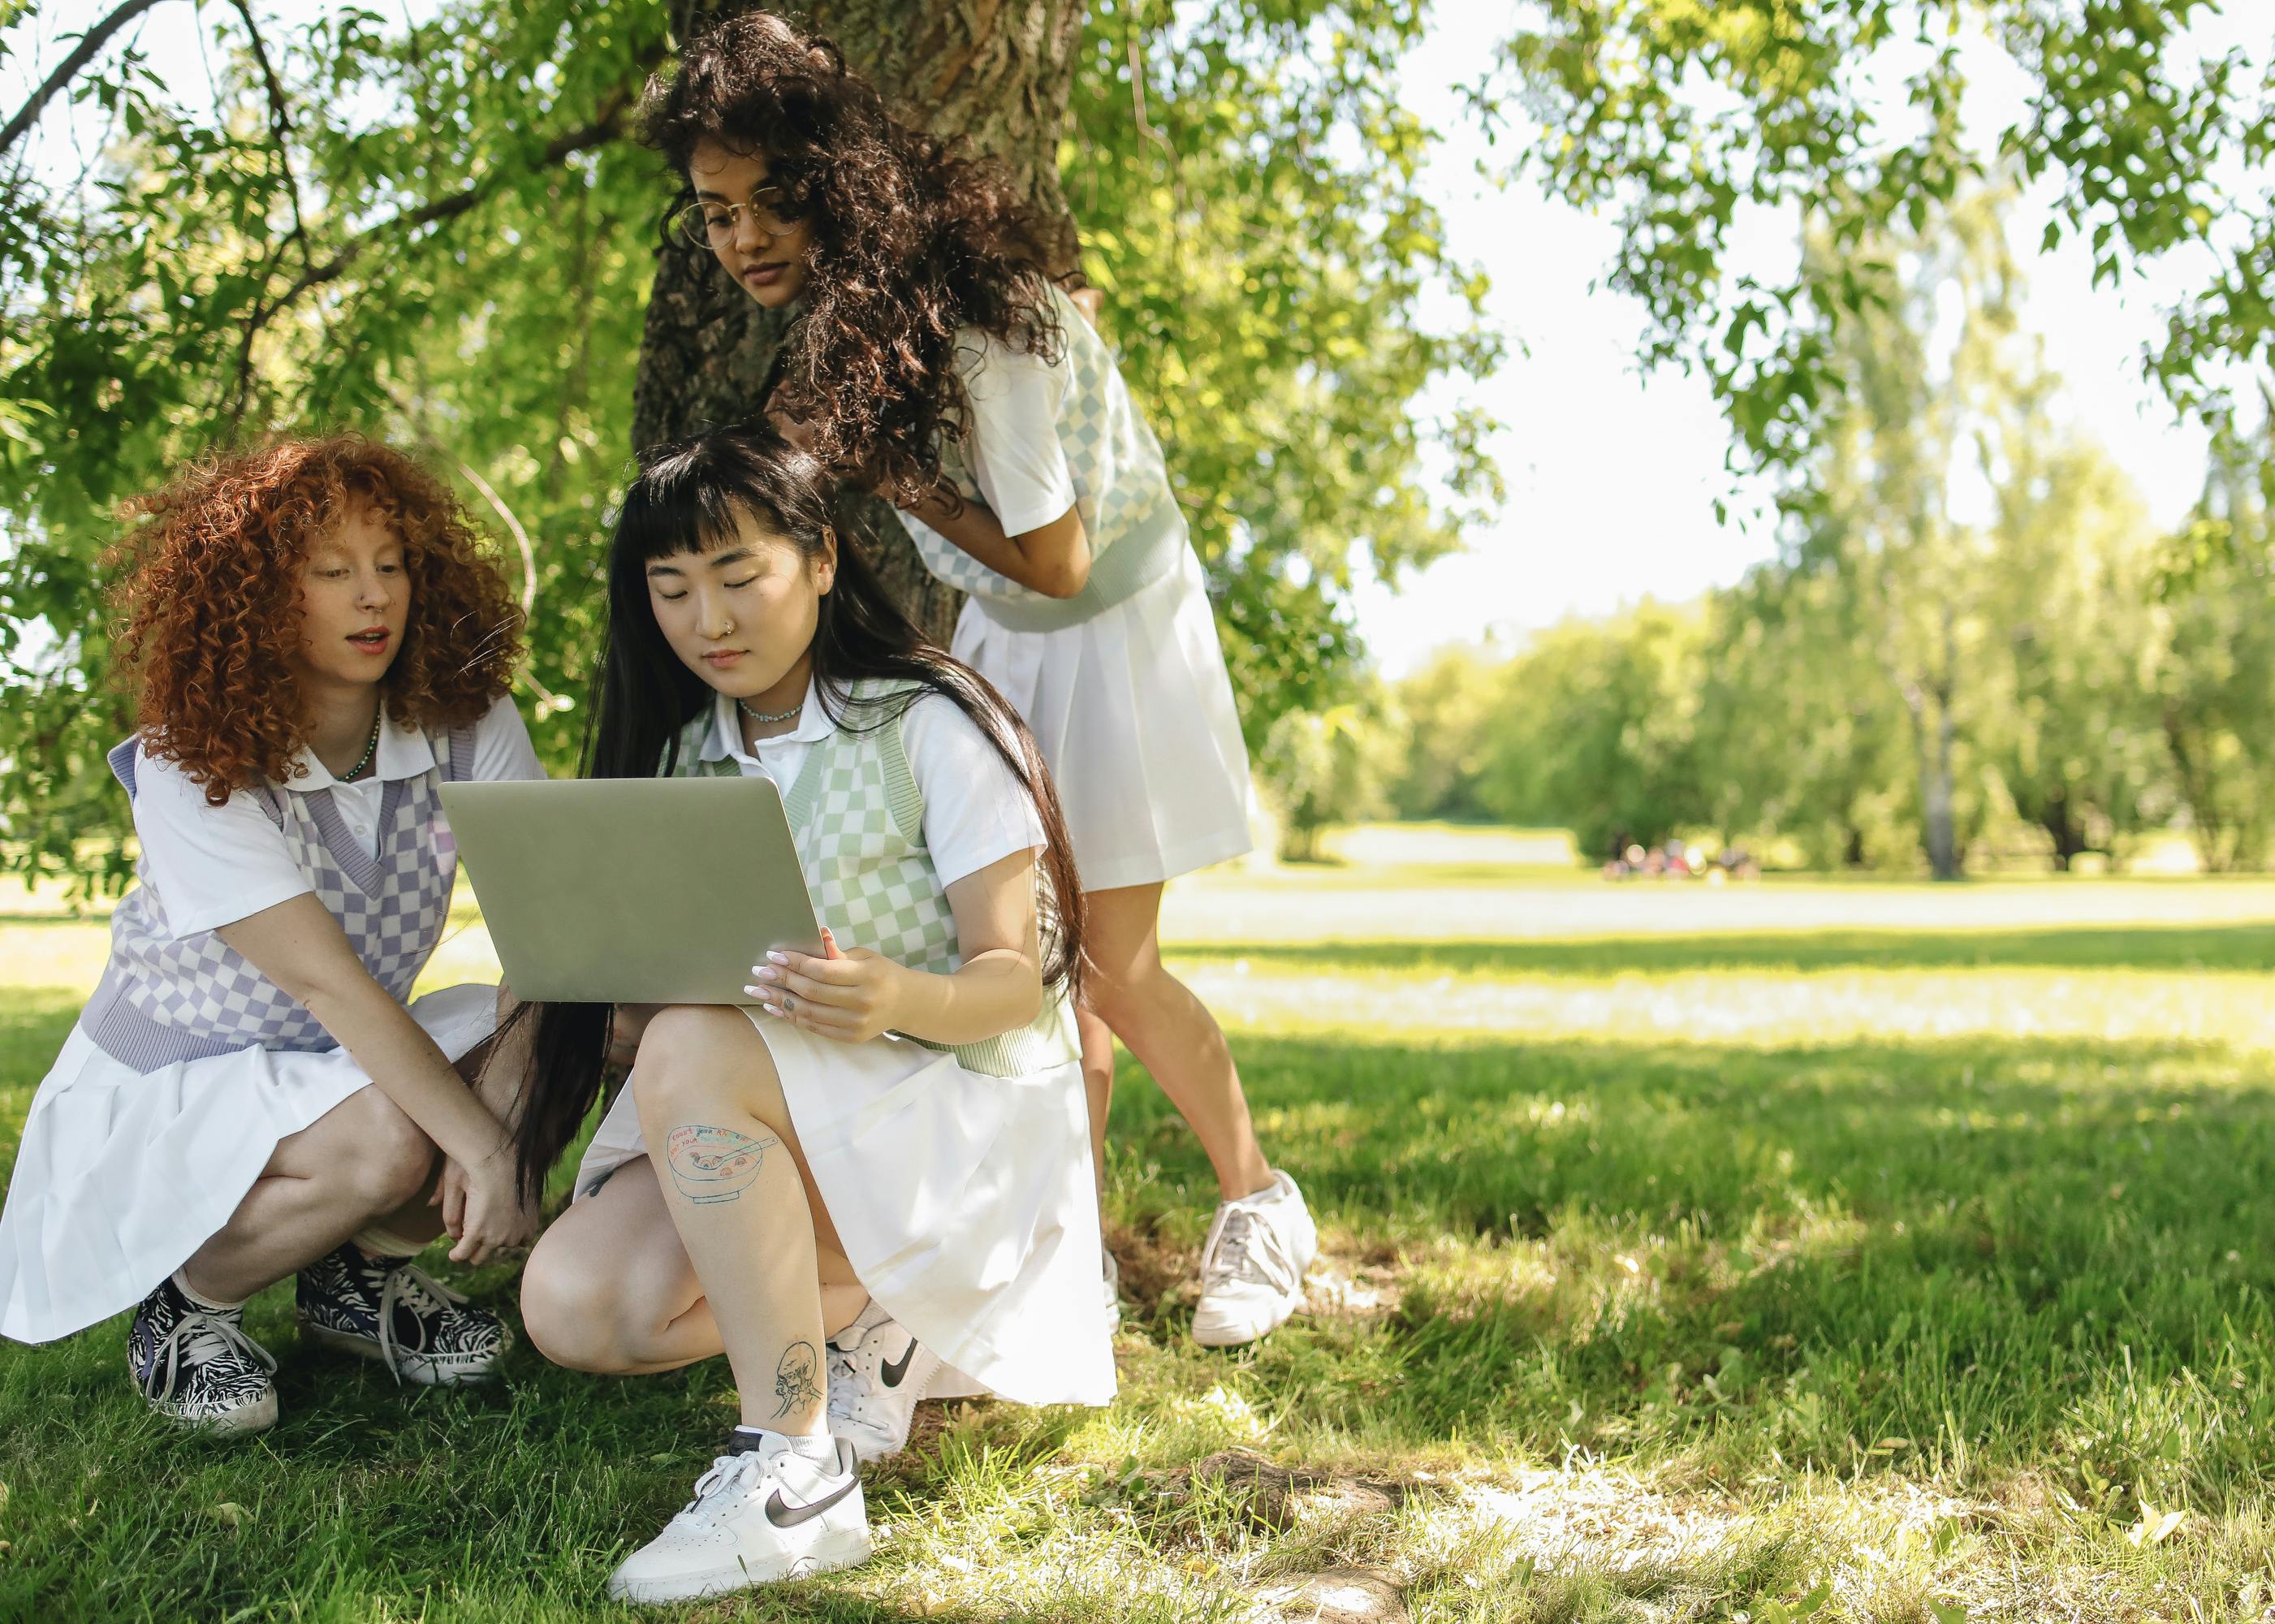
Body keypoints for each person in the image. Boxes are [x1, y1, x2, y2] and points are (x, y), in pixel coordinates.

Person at [638, 13, 1318, 1354]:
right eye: (718, 214)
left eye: (777, 201)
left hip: (1110, 636)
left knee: (1113, 967)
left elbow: (1062, 562)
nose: (747, 238)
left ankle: (1262, 1204)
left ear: (841, 184)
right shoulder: (880, 312)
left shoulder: (980, 322)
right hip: (1013, 632)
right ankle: (1070, 1249)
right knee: (1031, 966)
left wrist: (894, 479)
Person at [512, 429, 1111, 1605]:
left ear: (823, 559)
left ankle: (791, 1465)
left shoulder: (928, 720)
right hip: (763, 1112)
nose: (709, 617)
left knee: (694, 1045)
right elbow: (660, 1013)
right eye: (672, 588)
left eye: (740, 575)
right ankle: (896, 1311)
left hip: (949, 1103)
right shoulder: (680, 756)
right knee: (576, 1307)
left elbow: (1016, 978)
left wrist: (897, 996)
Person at [0, 436, 542, 1432]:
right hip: (177, 1083)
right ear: (255, 596)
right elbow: (330, 987)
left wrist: (512, 1114)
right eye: (332, 572)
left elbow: (552, 928)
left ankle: (355, 1278)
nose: (372, 597)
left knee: (576, 1023)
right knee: (389, 1134)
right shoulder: (188, 761)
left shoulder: (468, 719)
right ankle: (190, 1301)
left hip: (334, 1067)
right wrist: (486, 1147)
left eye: (391, 564)